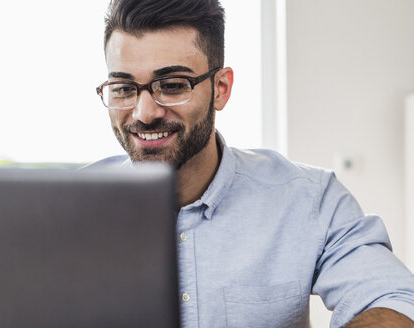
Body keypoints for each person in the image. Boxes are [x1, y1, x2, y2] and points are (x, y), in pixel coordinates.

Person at [90, 0, 414, 326]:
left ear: (221, 88)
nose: (145, 113)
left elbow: (392, 299)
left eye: (173, 86)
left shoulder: (309, 199)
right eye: (123, 88)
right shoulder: (73, 211)